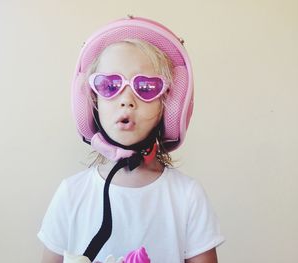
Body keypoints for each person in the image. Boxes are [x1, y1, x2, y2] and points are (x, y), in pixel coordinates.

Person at [38, 16, 225, 263]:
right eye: (109, 85)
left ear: (168, 105)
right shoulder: (71, 194)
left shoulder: (187, 196)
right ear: (92, 101)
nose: (127, 100)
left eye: (146, 88)